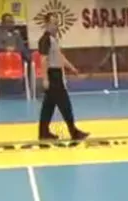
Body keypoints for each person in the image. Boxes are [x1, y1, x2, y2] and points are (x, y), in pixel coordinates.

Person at [37, 13, 89, 141]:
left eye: (57, 23)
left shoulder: (54, 39)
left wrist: (71, 68)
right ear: (47, 24)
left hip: (57, 73)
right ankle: (73, 132)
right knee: (65, 105)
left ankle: (43, 132)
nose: (56, 26)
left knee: (48, 106)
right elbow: (43, 59)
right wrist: (45, 78)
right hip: (52, 75)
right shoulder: (45, 40)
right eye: (53, 23)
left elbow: (60, 57)